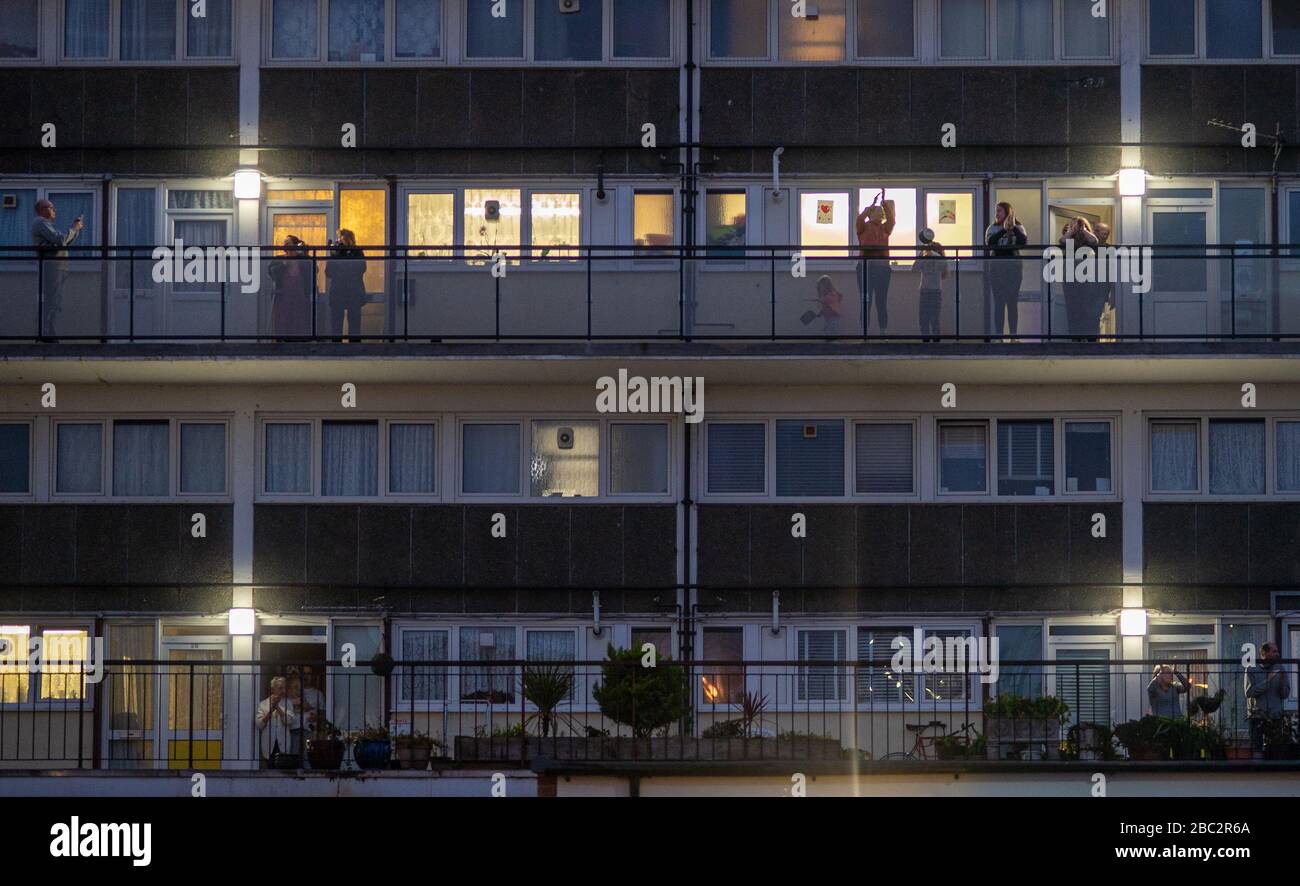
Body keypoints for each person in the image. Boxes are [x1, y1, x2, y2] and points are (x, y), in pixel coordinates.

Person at [31, 198, 84, 338]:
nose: (54, 210)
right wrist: (74, 229)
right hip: (52, 266)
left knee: (55, 300)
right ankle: (46, 333)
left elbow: (62, 242)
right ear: (42, 210)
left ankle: (48, 331)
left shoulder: (48, 224)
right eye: (50, 207)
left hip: (57, 266)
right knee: (51, 299)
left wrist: (75, 231)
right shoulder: (40, 222)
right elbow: (60, 240)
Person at [984, 202, 1028, 339]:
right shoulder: (992, 228)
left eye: (1000, 211)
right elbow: (990, 243)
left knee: (1012, 302)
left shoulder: (1019, 227)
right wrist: (1003, 230)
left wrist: (1012, 228)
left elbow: (1023, 242)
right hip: (997, 269)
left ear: (1008, 212)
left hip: (1013, 270)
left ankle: (1013, 336)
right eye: (996, 211)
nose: (997, 213)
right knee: (999, 303)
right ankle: (999, 336)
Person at [856, 190, 896, 336]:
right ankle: (864, 333)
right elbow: (860, 219)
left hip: (882, 268)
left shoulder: (885, 228)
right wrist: (870, 207)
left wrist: (884, 204)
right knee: (866, 300)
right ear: (871, 214)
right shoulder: (863, 227)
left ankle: (882, 332)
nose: (880, 214)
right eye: (877, 211)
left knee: (881, 300)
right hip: (865, 267)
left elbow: (892, 221)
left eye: (881, 212)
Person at [1245, 642, 1290, 754]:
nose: (1277, 654)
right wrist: (1268, 680)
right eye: (1274, 651)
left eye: (1277, 651)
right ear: (1264, 653)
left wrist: (1283, 683)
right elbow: (1249, 692)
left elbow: (1285, 695)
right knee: (1256, 752)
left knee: (1275, 752)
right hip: (1257, 716)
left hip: (1275, 716)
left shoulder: (1280, 668)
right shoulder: (1251, 669)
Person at [1059, 216, 1100, 340]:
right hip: (1070, 277)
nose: (1078, 227)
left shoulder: (1088, 237)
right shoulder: (1069, 237)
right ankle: (1075, 337)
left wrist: (1084, 230)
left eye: (1081, 225)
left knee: (1088, 306)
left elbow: (1095, 241)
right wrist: (1072, 230)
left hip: (1087, 275)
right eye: (1075, 225)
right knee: (1073, 307)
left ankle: (1089, 336)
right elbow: (1062, 240)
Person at [324, 228, 367, 341]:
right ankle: (336, 347)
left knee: (354, 321)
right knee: (336, 322)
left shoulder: (357, 251)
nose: (338, 240)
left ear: (348, 239)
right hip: (338, 291)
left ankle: (354, 346)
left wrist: (344, 256)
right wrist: (335, 255)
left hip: (353, 291)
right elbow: (328, 272)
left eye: (340, 237)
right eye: (338, 237)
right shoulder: (336, 253)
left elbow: (362, 268)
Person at [267, 235, 313, 339]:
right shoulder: (279, 259)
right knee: (282, 320)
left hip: (300, 295)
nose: (285, 246)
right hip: (283, 295)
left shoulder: (304, 260)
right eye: (285, 243)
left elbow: (314, 269)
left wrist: (303, 255)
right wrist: (284, 264)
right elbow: (271, 271)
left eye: (288, 243)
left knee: (299, 320)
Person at [255, 676, 300, 763]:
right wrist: (270, 711)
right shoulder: (263, 704)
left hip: (283, 744)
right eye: (280, 688)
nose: (283, 691)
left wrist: (278, 708)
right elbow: (259, 724)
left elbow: (290, 721)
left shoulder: (288, 703)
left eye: (284, 688)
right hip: (268, 745)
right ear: (272, 689)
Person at [915, 228, 948, 342]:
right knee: (923, 319)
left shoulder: (940, 261)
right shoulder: (923, 258)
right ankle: (926, 341)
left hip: (934, 292)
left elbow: (944, 266)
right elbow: (914, 268)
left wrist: (931, 253)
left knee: (934, 319)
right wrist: (921, 254)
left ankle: (935, 342)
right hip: (925, 291)